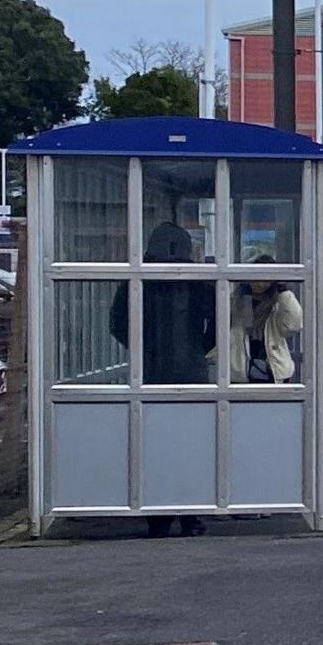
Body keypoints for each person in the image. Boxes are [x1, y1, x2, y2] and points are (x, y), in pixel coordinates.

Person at [108, 220, 215, 535]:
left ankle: (158, 515)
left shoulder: (135, 282)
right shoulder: (200, 282)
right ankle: (192, 514)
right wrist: (200, 348)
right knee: (194, 446)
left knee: (153, 446)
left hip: (151, 375)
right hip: (194, 375)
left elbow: (117, 323)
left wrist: (145, 348)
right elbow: (218, 322)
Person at [230, 260, 304, 385]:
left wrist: (284, 292)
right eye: (255, 278)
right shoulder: (237, 301)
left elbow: (294, 325)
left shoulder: (278, 303)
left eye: (265, 280)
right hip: (242, 368)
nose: (259, 284)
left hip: (273, 367)